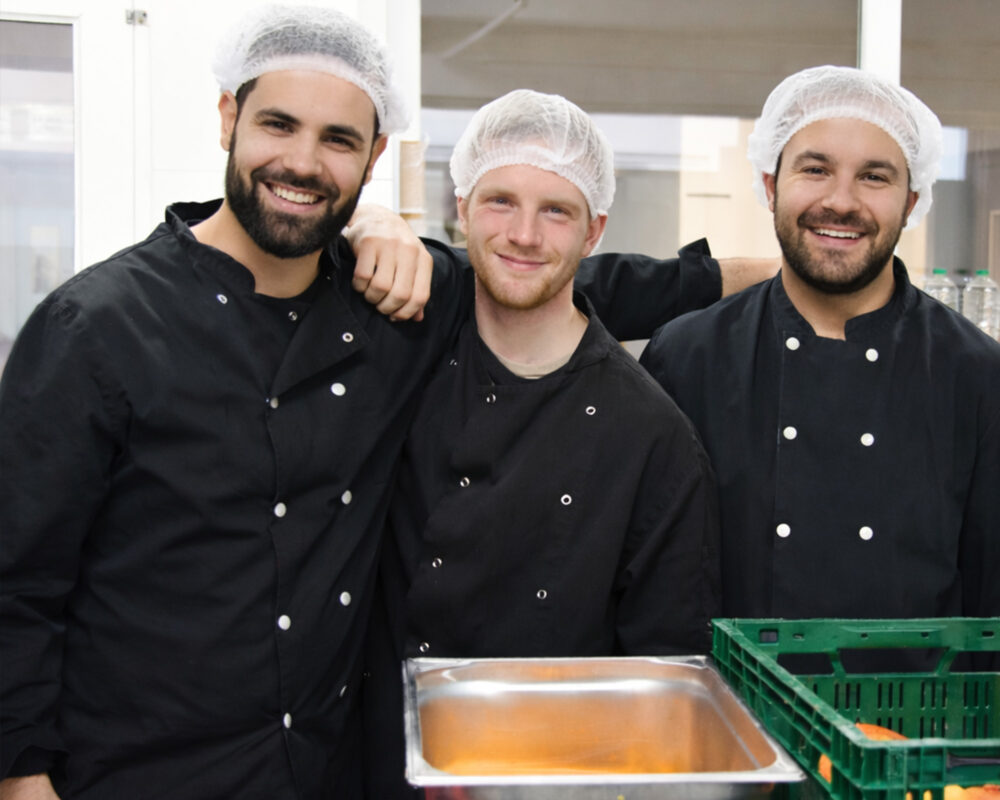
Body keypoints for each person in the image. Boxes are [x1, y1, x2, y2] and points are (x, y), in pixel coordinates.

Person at [0, 7, 755, 799]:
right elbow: (19, 578)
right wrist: (21, 776)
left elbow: (539, 282)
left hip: (325, 768)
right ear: (228, 117)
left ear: (374, 155)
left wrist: (751, 274)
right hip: (133, 771)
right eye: (279, 124)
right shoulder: (97, 325)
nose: (302, 161)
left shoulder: (387, 311)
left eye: (338, 140)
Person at [364, 89, 721, 798]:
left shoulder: (652, 435)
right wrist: (365, 223)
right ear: (460, 209)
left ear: (594, 233)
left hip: (543, 778)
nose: (524, 234)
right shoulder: (399, 352)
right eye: (500, 201)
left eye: (556, 210)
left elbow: (665, 675)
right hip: (370, 759)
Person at [640, 66, 1000, 637]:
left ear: (910, 202)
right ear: (770, 184)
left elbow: (991, 603)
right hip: (730, 715)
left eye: (874, 177)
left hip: (914, 719)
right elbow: (655, 583)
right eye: (815, 169)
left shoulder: (976, 373)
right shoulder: (688, 356)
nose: (842, 201)